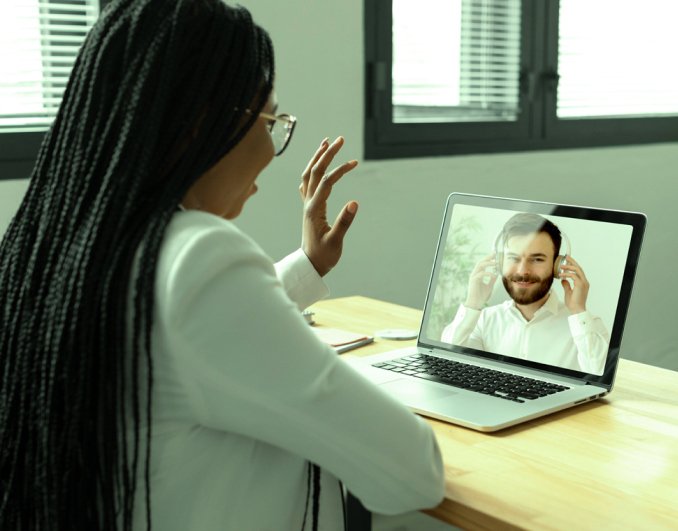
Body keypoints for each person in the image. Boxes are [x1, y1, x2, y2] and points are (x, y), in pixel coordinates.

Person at [0, 1, 445, 530]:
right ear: (200, 124)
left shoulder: (60, 247)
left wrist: (306, 266)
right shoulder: (200, 254)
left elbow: (177, 338)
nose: (272, 148)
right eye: (271, 120)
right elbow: (413, 471)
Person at [441, 213, 609, 375]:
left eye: (537, 259)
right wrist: (472, 304)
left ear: (557, 266)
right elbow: (446, 368)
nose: (523, 271)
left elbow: (601, 382)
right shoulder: (483, 321)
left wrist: (578, 310)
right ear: (499, 263)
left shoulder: (587, 326)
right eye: (513, 258)